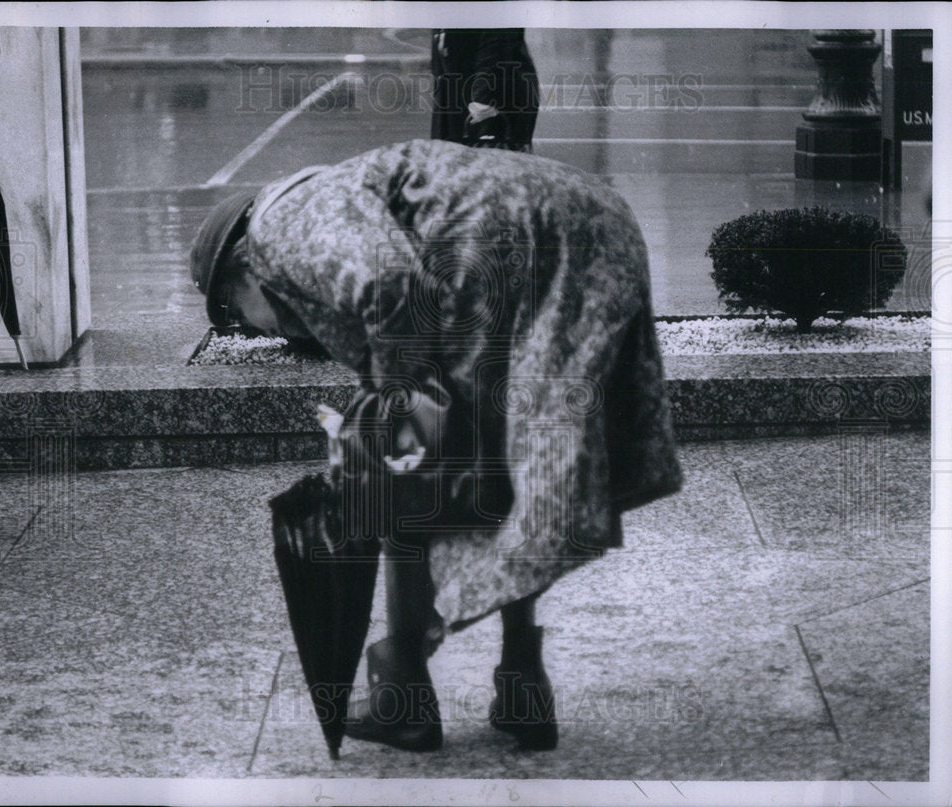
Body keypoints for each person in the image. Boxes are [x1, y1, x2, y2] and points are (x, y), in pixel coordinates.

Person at [190, 139, 683, 753]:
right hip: (589, 221)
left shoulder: (278, 227)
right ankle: (522, 686)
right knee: (514, 470)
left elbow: (393, 285)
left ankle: (405, 695)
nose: (264, 329)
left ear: (239, 273)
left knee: (399, 471)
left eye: (239, 315)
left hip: (509, 236)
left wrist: (388, 416)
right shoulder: (335, 194)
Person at [431, 29, 539, 151]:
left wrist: (483, 97)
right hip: (458, 90)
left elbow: (498, 39)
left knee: (494, 162)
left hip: (491, 91)